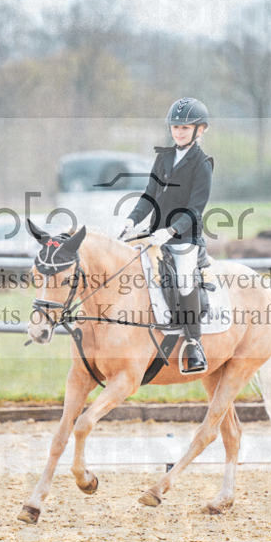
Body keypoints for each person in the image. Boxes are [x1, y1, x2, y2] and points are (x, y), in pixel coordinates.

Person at [120, 97, 213, 375]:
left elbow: (195, 210)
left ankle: (194, 344)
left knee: (184, 279)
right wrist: (131, 220)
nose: (178, 132)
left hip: (185, 238)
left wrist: (171, 231)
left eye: (185, 128)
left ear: (200, 130)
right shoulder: (163, 157)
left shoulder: (202, 163)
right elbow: (149, 196)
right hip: (154, 235)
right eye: (175, 126)